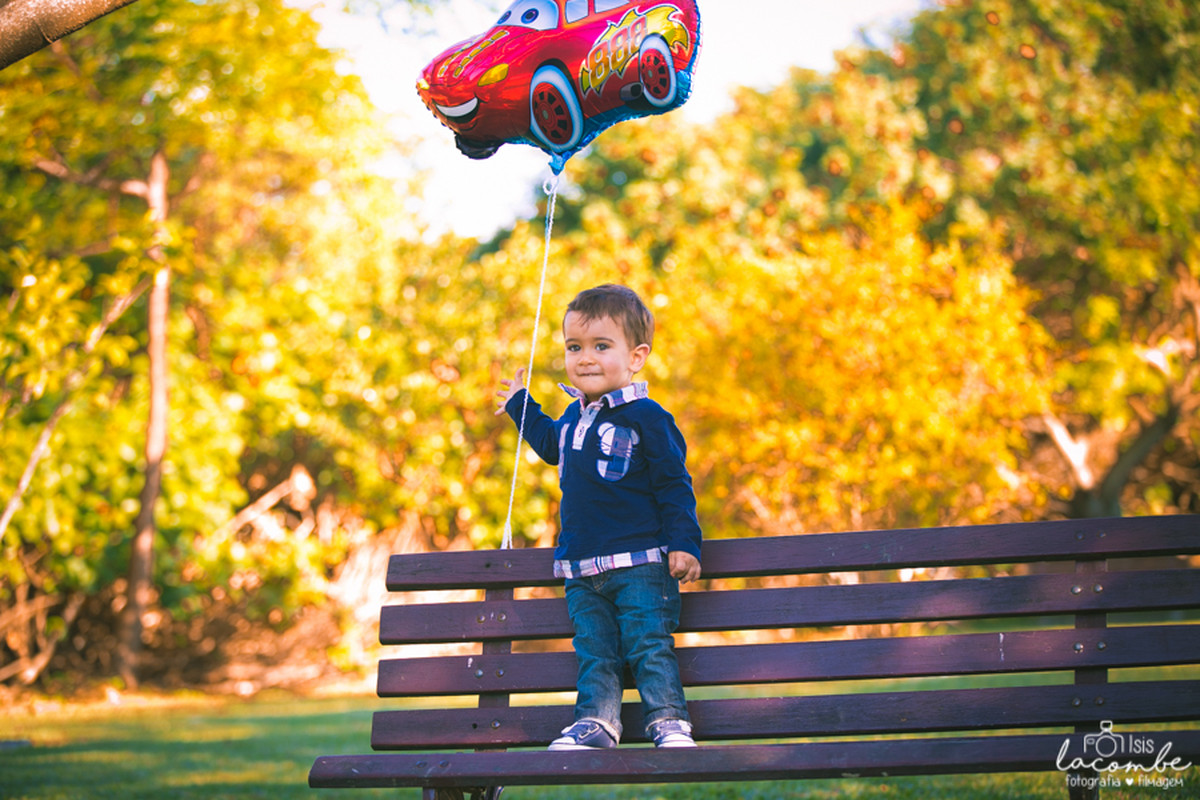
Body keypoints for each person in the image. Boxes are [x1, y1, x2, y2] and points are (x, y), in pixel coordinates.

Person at [495, 284, 702, 750]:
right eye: (574, 347)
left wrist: (685, 544)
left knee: (648, 643)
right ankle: (597, 722)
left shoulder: (648, 417)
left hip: (641, 563)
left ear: (636, 357)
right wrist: (521, 405)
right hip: (582, 566)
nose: (585, 358)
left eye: (601, 346)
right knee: (594, 650)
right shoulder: (573, 416)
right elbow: (551, 445)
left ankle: (669, 722)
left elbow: (674, 484)